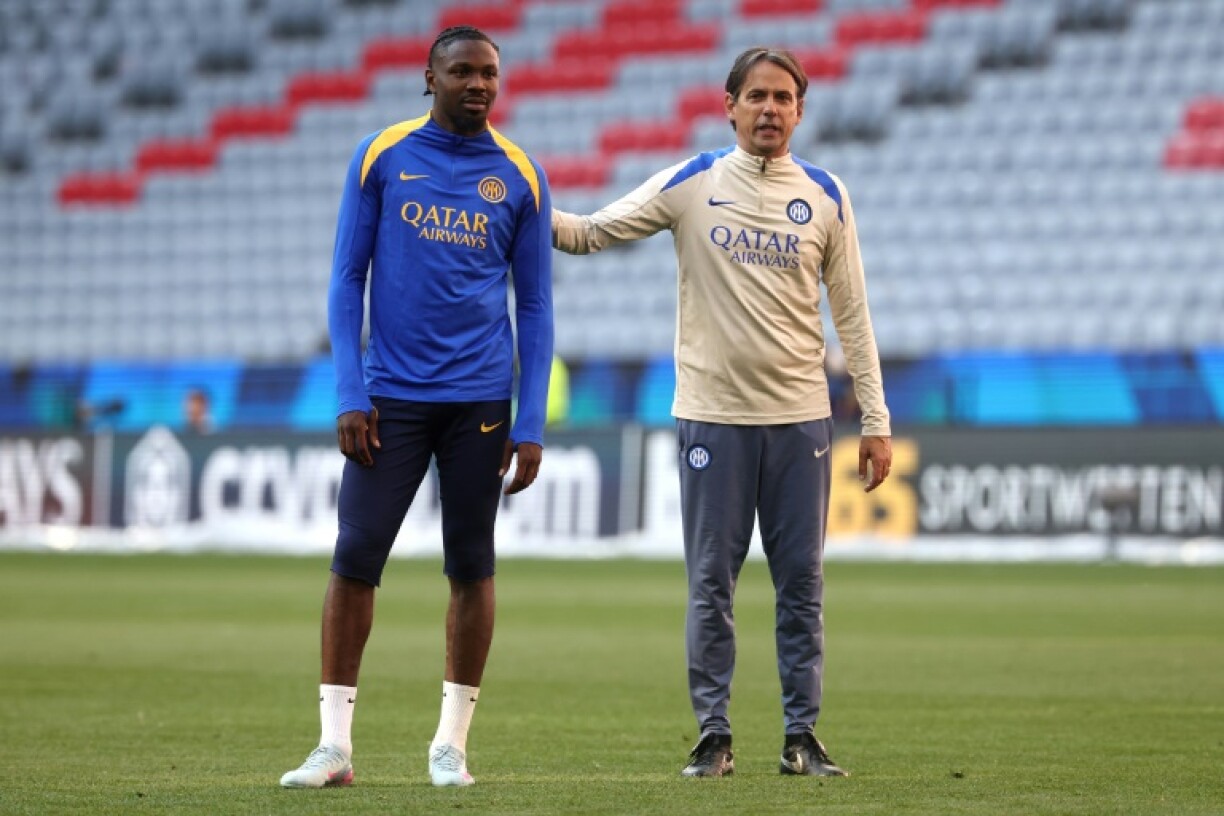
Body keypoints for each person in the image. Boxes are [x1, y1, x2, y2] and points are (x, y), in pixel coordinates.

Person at [552, 47, 892, 778]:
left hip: (801, 420)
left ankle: (802, 737)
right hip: (713, 418)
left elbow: (853, 316)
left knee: (802, 586)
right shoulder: (694, 182)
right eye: (757, 96)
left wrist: (875, 419)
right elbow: (591, 231)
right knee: (712, 583)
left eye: (783, 98)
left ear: (800, 111)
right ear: (729, 106)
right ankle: (714, 735)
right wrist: (519, 203)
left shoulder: (826, 195)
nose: (770, 109)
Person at [280, 25, 554, 790]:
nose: (479, 84)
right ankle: (334, 747)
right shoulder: (381, 156)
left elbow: (535, 307)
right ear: (429, 78)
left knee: (471, 563)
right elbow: (347, 279)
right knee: (355, 557)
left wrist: (530, 421)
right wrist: (350, 391)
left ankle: (451, 747)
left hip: (480, 403)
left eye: (490, 73)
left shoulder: (522, 175)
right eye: (462, 71)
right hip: (389, 399)